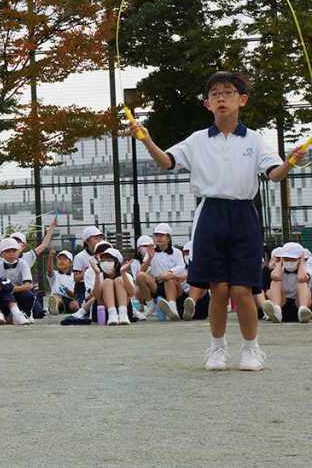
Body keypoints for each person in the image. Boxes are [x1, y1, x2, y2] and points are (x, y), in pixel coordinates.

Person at [131, 70, 305, 371]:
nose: (221, 98)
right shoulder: (198, 140)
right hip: (209, 214)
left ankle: (251, 350)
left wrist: (290, 161)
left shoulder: (254, 139)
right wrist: (146, 140)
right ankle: (217, 348)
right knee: (219, 289)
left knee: (242, 289)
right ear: (207, 104)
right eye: (215, 94)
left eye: (228, 92)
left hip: (243, 215)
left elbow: (274, 174)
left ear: (242, 99)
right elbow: (167, 162)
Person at [263, 242, 312, 323]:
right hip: (283, 304)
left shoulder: (306, 271)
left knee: (302, 283)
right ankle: (277, 310)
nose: (289, 262)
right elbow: (274, 276)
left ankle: (303, 309)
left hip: (298, 305)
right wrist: (281, 262)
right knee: (275, 282)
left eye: (293, 259)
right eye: (286, 259)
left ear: (300, 259)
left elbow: (302, 278)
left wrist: (301, 263)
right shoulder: (279, 271)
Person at [0, 238, 34, 324]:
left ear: (18, 252)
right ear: (1, 254)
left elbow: (28, 285)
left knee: (29, 295)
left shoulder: (23, 264)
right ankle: (8, 315)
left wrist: (10, 289)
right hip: (6, 294)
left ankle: (27, 313)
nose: (11, 254)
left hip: (19, 293)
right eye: (7, 251)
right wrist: (6, 289)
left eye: (14, 251)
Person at [45, 249, 78, 316]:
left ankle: (75, 310)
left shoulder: (74, 276)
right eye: (59, 259)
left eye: (65, 259)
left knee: (74, 304)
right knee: (56, 298)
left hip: (70, 299)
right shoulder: (55, 274)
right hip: (58, 298)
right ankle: (54, 308)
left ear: (70, 263)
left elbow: (75, 295)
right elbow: (49, 272)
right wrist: (51, 257)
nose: (61, 261)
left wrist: (67, 290)